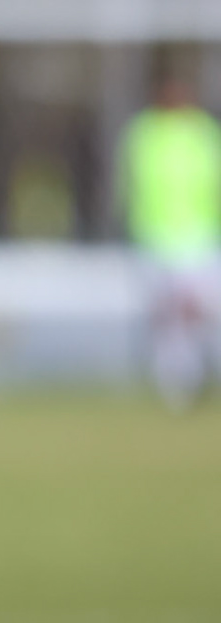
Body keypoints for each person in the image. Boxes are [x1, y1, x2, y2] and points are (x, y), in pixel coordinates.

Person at [123, 73, 221, 408]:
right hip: (156, 235)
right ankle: (178, 382)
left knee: (200, 309)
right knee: (168, 314)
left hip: (199, 233)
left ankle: (196, 370)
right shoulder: (145, 133)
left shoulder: (204, 132)